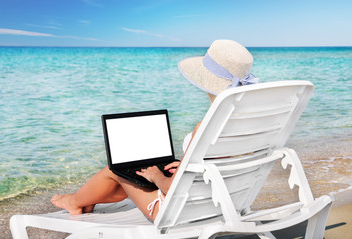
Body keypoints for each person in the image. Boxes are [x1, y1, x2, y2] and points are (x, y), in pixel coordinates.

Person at [51, 39, 258, 222]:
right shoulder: (252, 124)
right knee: (131, 175)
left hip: (180, 211)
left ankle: (74, 202)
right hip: (225, 201)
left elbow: (170, 189)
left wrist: (157, 176)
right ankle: (85, 202)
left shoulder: (205, 128)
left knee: (117, 169)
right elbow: (221, 163)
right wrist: (186, 166)